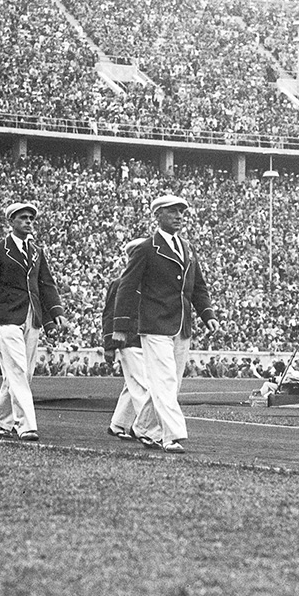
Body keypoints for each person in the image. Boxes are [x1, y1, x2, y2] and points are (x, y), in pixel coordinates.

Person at [111, 194, 219, 454]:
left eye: (181, 212)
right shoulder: (146, 248)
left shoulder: (188, 247)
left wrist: (208, 314)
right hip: (155, 324)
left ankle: (143, 426)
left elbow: (198, 286)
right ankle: (171, 435)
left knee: (171, 384)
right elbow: (126, 287)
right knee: (165, 382)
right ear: (157, 215)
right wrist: (120, 326)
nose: (179, 216)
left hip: (181, 325)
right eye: (172, 212)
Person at [0, 201, 68, 442]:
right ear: (11, 222)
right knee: (18, 371)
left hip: (31, 318)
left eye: (31, 218)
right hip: (6, 318)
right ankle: (26, 425)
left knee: (23, 374)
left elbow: (46, 284)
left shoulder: (37, 251)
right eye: (23, 218)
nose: (28, 222)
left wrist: (56, 312)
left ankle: (0, 420)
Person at [101, 242, 155, 442]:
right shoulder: (120, 283)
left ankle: (119, 424)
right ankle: (148, 430)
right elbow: (109, 315)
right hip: (129, 341)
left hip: (144, 340)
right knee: (142, 386)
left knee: (132, 384)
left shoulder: (150, 285)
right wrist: (109, 346)